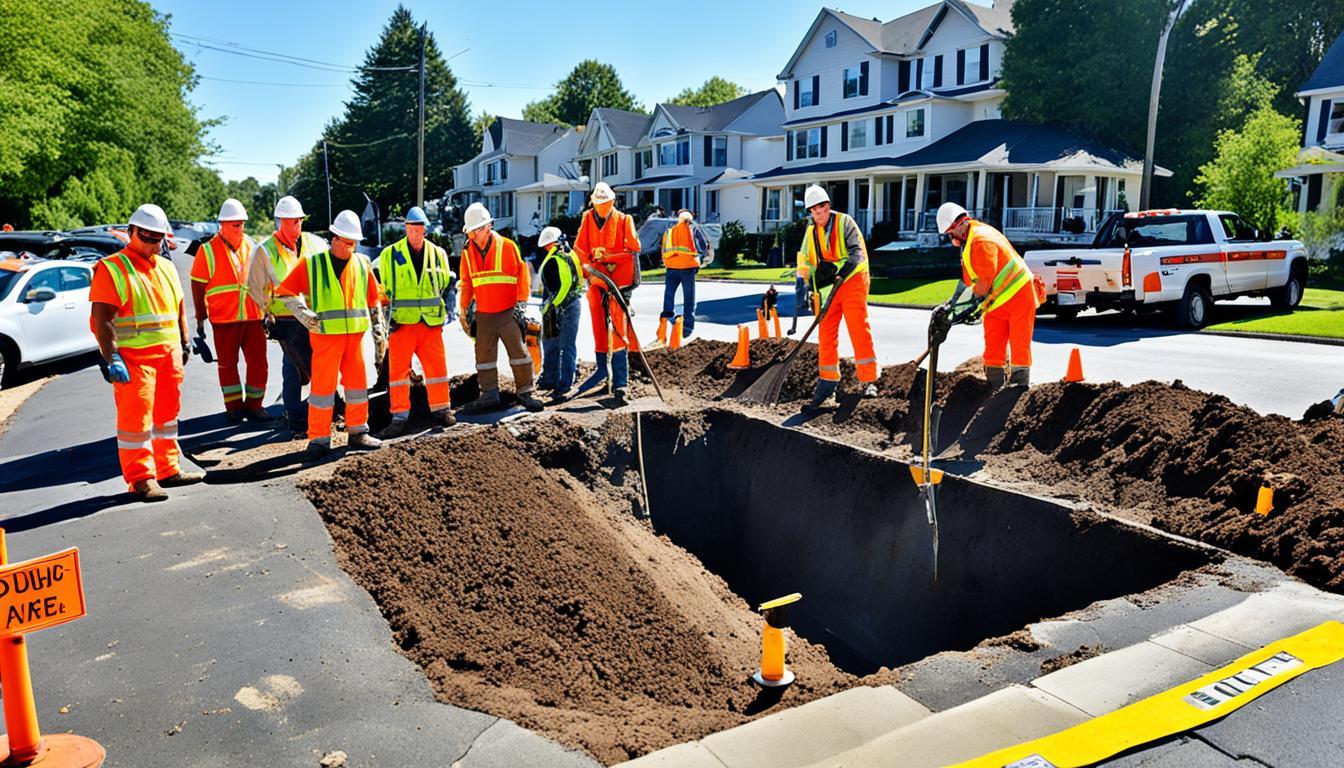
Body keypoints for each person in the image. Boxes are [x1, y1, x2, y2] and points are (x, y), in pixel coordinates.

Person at [89, 204, 204, 501]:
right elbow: (103, 319)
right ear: (131, 232)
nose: (152, 244)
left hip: (168, 357)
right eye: (146, 237)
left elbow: (178, 307)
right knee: (135, 423)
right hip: (134, 361)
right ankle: (141, 479)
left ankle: (168, 469)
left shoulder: (166, 267)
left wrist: (184, 341)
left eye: (157, 239)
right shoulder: (112, 268)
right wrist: (112, 357)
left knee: (167, 418)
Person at [275, 209, 386, 457]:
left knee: (357, 387)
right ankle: (319, 440)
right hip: (325, 339)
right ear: (334, 238)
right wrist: (305, 316)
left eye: (355, 243)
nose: (352, 247)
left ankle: (358, 432)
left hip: (354, 340)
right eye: (348, 243)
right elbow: (284, 292)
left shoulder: (361, 264)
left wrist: (380, 333)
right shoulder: (313, 264)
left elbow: (374, 300)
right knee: (322, 391)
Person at [247, 195, 326, 436]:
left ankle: (320, 411)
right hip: (287, 319)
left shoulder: (314, 243)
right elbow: (255, 285)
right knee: (293, 367)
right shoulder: (265, 250)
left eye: (299, 220)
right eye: (292, 221)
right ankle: (296, 419)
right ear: (281, 221)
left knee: (320, 365)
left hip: (314, 316)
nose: (297, 225)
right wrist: (267, 312)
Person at [937, 201, 1038, 388]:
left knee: (1019, 343)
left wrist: (960, 308)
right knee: (993, 346)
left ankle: (1019, 386)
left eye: (951, 233)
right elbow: (973, 282)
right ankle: (993, 387)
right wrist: (954, 304)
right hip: (996, 301)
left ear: (959, 226)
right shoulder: (972, 238)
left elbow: (984, 281)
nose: (951, 237)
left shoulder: (981, 240)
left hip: (1020, 295)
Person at [375, 206, 456, 438]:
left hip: (430, 323)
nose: (417, 232)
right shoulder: (389, 255)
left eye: (421, 228)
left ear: (425, 230)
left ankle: (442, 410)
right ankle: (399, 417)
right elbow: (383, 290)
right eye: (413, 228)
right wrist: (385, 321)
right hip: (402, 324)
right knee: (398, 373)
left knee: (437, 369)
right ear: (406, 228)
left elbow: (444, 285)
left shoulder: (438, 253)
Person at [456, 202, 544, 414]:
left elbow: (521, 276)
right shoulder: (467, 252)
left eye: (475, 231)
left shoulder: (508, 246)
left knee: (519, 353)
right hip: (484, 314)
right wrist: (463, 310)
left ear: (487, 227)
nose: (472, 236)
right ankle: (489, 394)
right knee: (483, 356)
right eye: (470, 232)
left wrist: (521, 305)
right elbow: (467, 282)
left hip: (508, 312)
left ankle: (526, 393)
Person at [799, 185, 879, 413]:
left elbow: (857, 255)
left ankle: (868, 381)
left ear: (828, 206)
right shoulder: (811, 231)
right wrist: (804, 284)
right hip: (830, 286)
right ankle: (827, 383)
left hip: (853, 280)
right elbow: (806, 260)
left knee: (858, 329)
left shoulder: (846, 223)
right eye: (813, 212)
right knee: (826, 332)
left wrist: (841, 275)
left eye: (820, 210)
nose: (817, 215)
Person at [191, 198, 271, 422]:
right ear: (222, 225)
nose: (240, 229)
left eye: (243, 224)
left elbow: (262, 280)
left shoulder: (252, 245)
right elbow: (197, 285)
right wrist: (200, 317)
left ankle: (255, 406)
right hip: (224, 319)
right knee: (228, 366)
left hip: (253, 317)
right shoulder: (207, 251)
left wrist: (267, 310)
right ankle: (234, 408)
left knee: (258, 364)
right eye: (236, 225)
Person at [572, 182, 641, 404]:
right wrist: (590, 273)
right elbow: (580, 251)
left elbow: (632, 249)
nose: (600, 208)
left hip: (618, 283)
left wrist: (608, 258)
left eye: (604, 204)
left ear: (612, 202)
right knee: (598, 327)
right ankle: (603, 370)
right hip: (596, 281)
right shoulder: (587, 219)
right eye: (597, 204)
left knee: (619, 330)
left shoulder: (624, 220)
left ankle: (620, 382)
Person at [535, 226, 583, 397]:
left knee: (563, 345)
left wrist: (550, 306)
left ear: (551, 244)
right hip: (571, 304)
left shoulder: (557, 259)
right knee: (554, 343)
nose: (545, 249)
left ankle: (563, 385)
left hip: (563, 307)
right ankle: (552, 379)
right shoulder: (570, 254)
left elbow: (563, 287)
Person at [660, 208, 708, 338]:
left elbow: (664, 246)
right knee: (689, 297)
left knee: (669, 293)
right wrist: (700, 259)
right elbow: (703, 246)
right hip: (688, 266)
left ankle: (667, 317)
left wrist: (665, 260)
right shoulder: (693, 228)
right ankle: (687, 326)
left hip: (671, 265)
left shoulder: (670, 229)